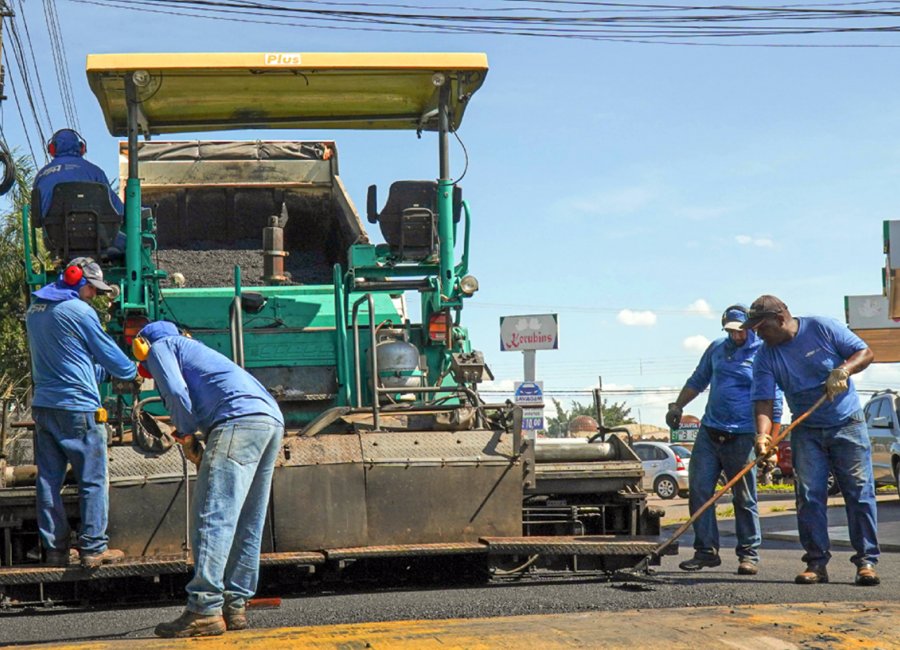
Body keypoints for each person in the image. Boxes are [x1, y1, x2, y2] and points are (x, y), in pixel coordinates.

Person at [134, 321, 285, 638]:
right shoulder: (196, 350)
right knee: (247, 518)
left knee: (213, 513)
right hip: (269, 420)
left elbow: (175, 391)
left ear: (142, 346)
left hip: (237, 421)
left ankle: (204, 608)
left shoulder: (161, 346)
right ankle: (234, 604)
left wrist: (186, 433)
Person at [744, 295, 880, 586]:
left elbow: (865, 353)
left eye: (760, 327)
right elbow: (765, 400)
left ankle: (866, 561)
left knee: (859, 493)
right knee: (808, 497)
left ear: (780, 319)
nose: (756, 333)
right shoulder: (765, 355)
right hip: (806, 430)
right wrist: (763, 436)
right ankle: (816, 563)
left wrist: (844, 370)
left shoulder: (822, 328)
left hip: (847, 424)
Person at [25, 257, 139, 568]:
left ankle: (56, 550)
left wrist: (100, 373)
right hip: (78, 409)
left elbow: (74, 363)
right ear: (76, 278)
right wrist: (131, 371)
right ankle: (93, 548)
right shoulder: (78, 311)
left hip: (45, 407)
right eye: (91, 288)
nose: (93, 295)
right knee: (92, 479)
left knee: (48, 481)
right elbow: (111, 356)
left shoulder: (34, 310)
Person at [666, 305, 780, 575]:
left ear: (750, 328)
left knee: (744, 497)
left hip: (743, 436)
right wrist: (677, 406)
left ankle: (748, 554)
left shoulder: (763, 353)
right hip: (710, 431)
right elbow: (698, 379)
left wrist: (770, 442)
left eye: (740, 331)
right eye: (730, 331)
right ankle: (706, 551)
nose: (736, 336)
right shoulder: (717, 348)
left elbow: (774, 403)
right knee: (699, 492)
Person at [33, 129, 124, 221]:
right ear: (82, 148)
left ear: (52, 149)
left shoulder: (41, 176)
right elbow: (117, 209)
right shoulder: (95, 172)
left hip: (52, 234)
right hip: (94, 232)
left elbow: (37, 215)